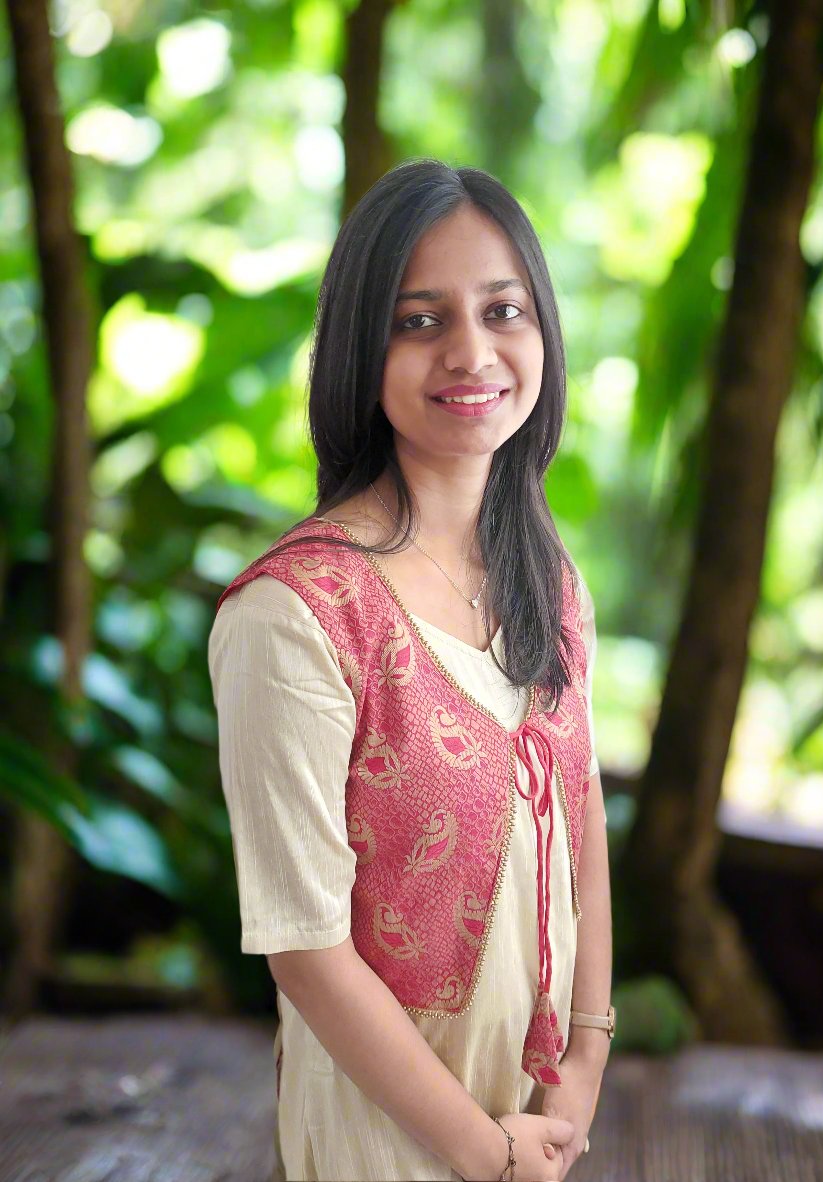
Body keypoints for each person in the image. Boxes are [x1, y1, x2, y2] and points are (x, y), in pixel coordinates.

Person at [208, 157, 614, 1182]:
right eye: (418, 320)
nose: (470, 352)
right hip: (386, 1142)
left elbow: (580, 825)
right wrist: (485, 1153)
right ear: (360, 346)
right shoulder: (294, 615)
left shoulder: (549, 585)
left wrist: (581, 1069)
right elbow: (304, 946)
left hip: (540, 1132)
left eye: (502, 310)